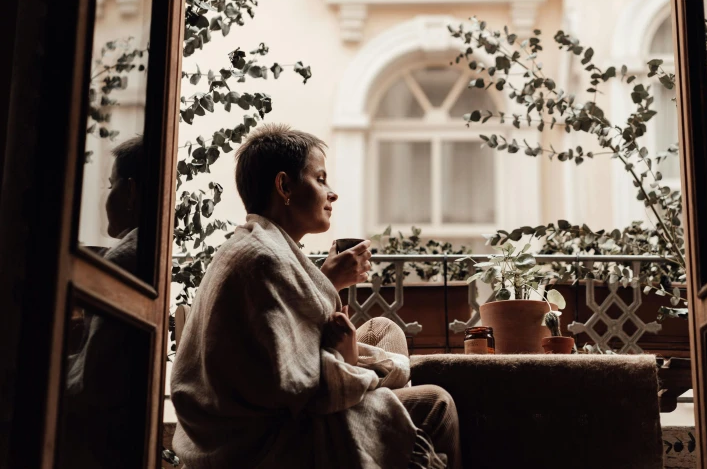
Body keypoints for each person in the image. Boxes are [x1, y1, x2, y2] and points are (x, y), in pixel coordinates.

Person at [171, 124, 461, 468]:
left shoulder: (256, 244)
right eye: (320, 179)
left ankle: (384, 393)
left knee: (384, 329)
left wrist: (327, 282)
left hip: (254, 412)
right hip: (265, 441)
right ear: (284, 186)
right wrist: (346, 357)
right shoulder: (264, 260)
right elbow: (302, 389)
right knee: (437, 403)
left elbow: (280, 339)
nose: (332, 193)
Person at [61, 136, 147, 468]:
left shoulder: (125, 259)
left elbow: (89, 384)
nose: (106, 196)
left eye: (111, 185)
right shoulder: (142, 250)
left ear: (130, 191)